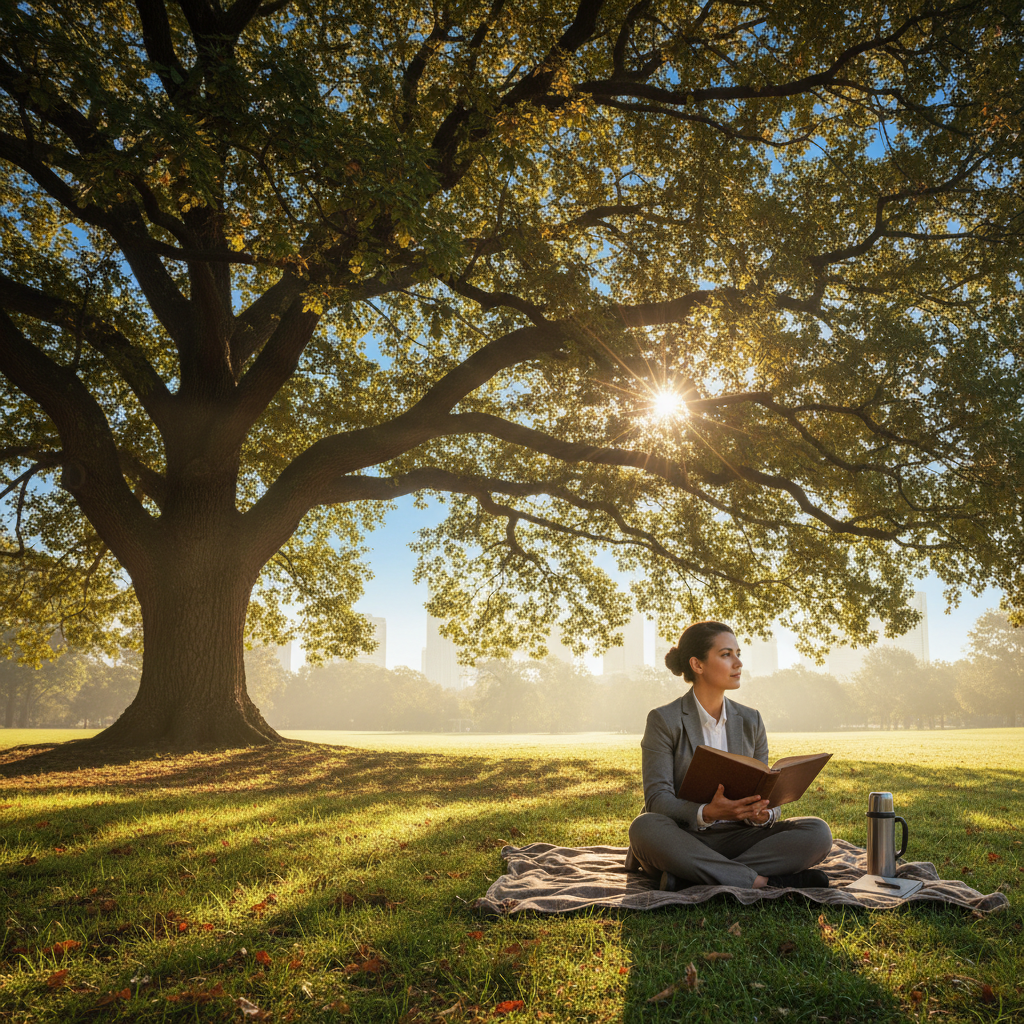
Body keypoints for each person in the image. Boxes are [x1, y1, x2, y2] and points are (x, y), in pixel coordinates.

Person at [627, 621, 833, 891]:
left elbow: (765, 788)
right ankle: (758, 880)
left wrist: (764, 813)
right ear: (697, 665)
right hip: (685, 836)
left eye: (738, 654)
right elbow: (657, 799)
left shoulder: (751, 720)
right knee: (644, 827)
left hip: (741, 835)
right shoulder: (664, 720)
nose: (738, 663)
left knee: (817, 832)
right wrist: (707, 813)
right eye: (726, 655)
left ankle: (693, 876)